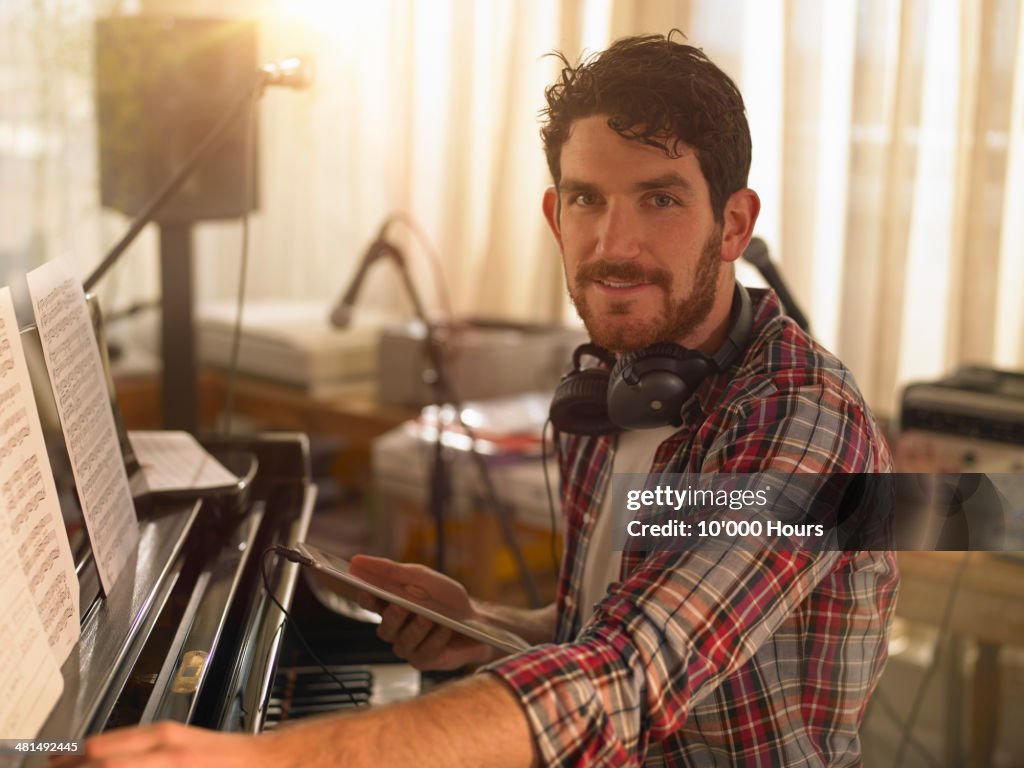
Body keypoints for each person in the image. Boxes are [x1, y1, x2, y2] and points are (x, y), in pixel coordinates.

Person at [57, 32, 897, 767]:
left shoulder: (801, 420)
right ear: (554, 212)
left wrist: (272, 758)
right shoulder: (612, 385)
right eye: (587, 199)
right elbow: (613, 621)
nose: (614, 244)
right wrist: (491, 627)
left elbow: (628, 674)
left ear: (734, 225)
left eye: (662, 199)